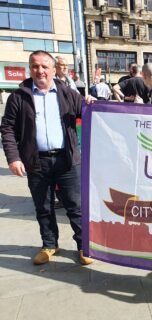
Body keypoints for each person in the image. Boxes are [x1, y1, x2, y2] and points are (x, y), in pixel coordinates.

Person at [0, 50, 95, 266]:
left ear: (53, 70)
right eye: (35, 66)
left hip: (67, 161)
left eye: (44, 66)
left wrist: (90, 102)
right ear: (30, 69)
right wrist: (14, 158)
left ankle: (84, 246)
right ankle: (50, 244)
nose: (40, 70)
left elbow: (88, 112)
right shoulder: (19, 97)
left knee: (75, 206)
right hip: (36, 162)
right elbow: (7, 129)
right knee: (43, 207)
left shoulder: (68, 94)